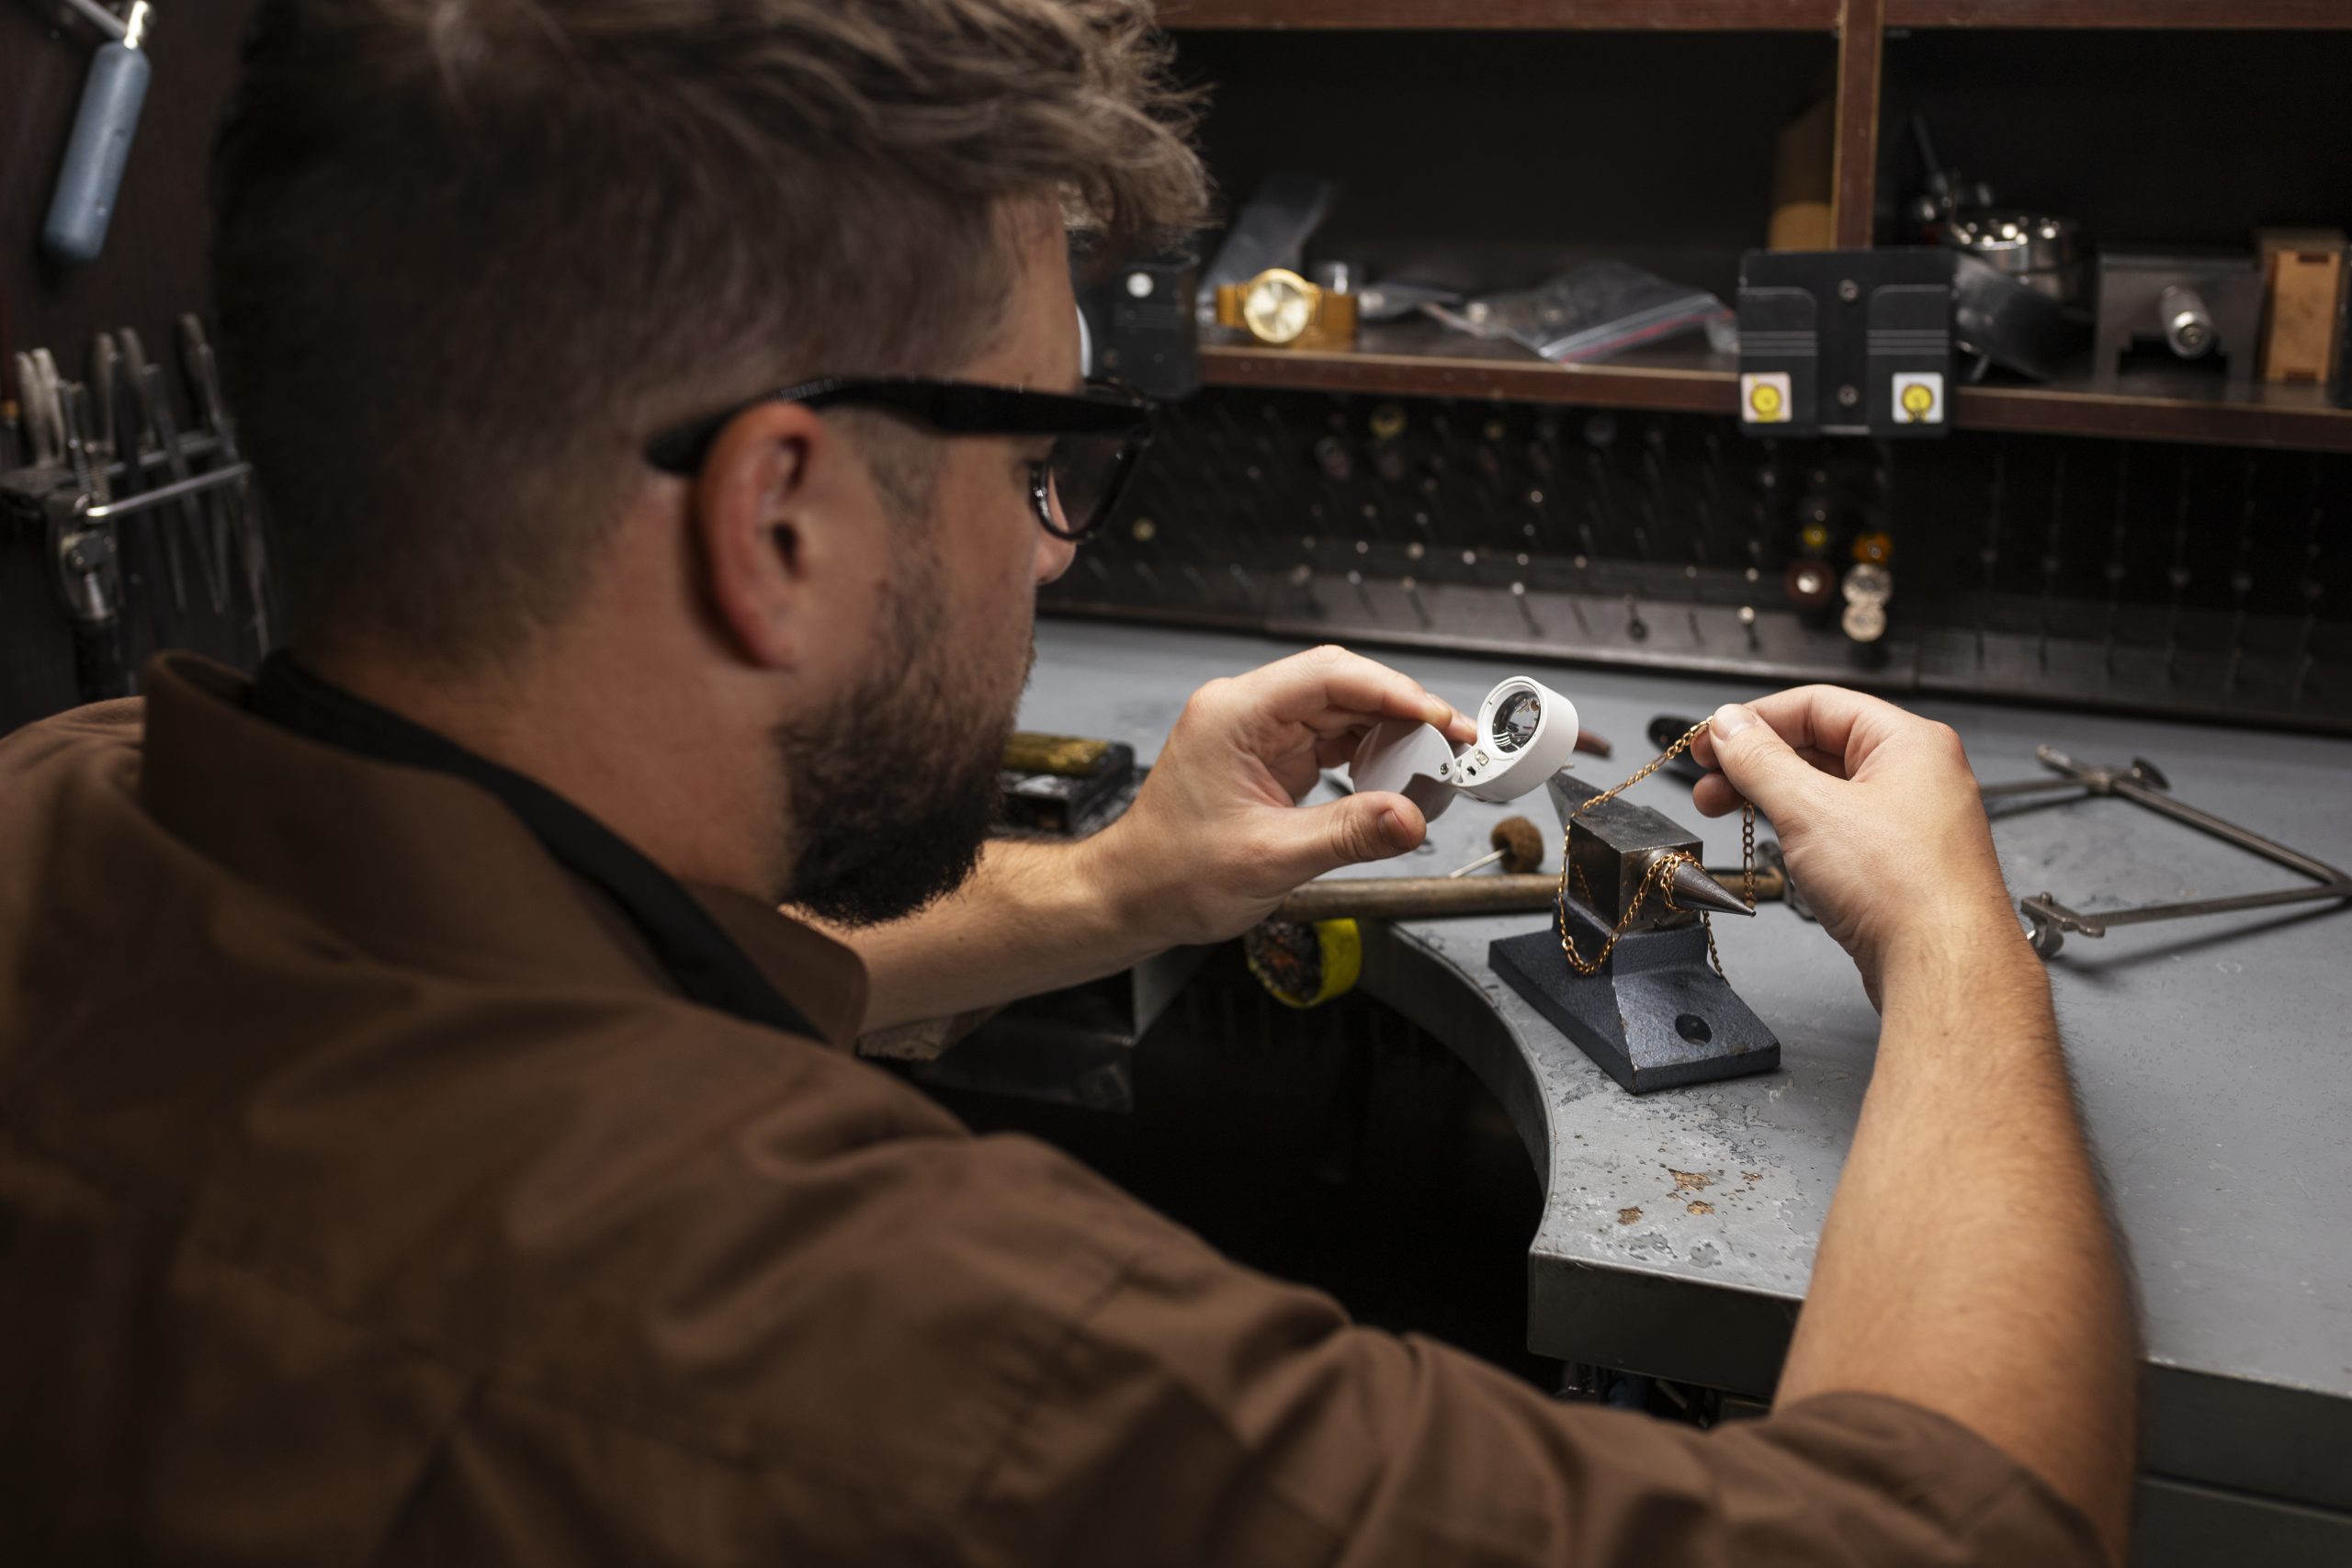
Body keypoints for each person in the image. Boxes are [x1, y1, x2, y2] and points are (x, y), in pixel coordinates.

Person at [0, 0, 2135, 1562]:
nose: (1046, 543)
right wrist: (1946, 943)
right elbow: (1953, 1540)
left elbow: (590, 962)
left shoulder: (67, 806)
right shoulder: (923, 1363)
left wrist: (1127, 879)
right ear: (779, 525)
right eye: (1041, 461)